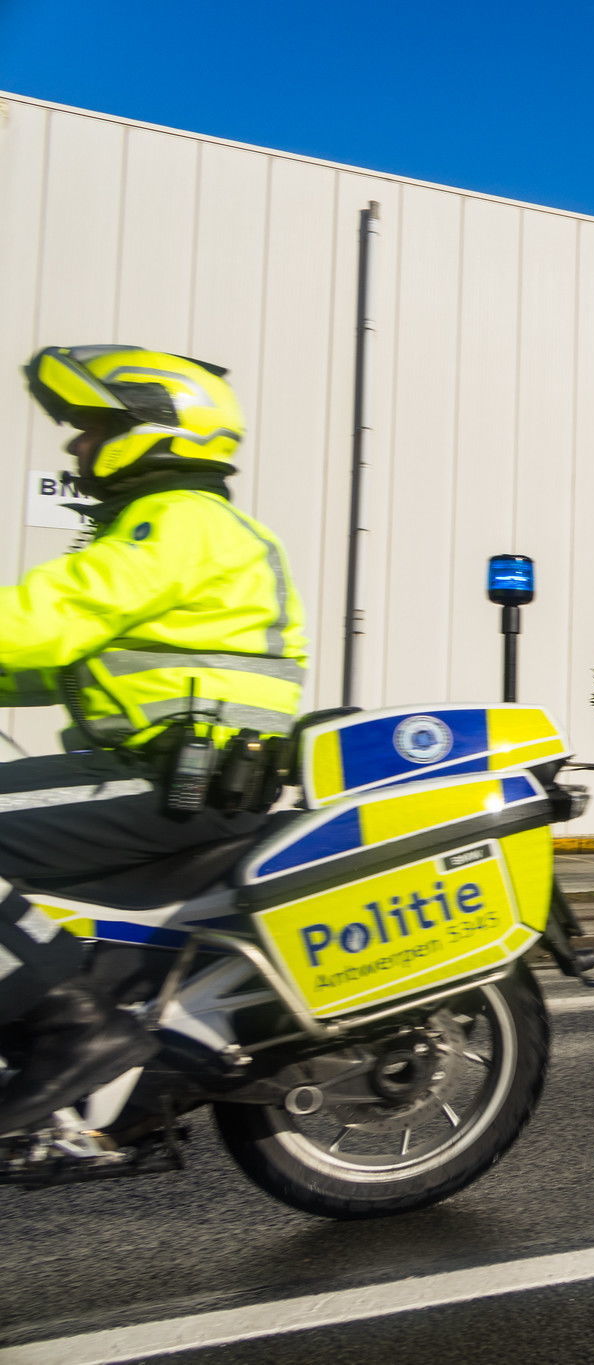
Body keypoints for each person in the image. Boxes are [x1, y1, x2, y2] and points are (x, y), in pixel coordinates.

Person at [0, 345, 307, 1138]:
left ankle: (72, 1024)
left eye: (92, 426)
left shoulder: (178, 521)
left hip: (172, 780)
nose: (74, 446)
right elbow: (66, 661)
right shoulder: (185, 525)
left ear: (153, 428)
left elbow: (48, 619)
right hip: (169, 777)